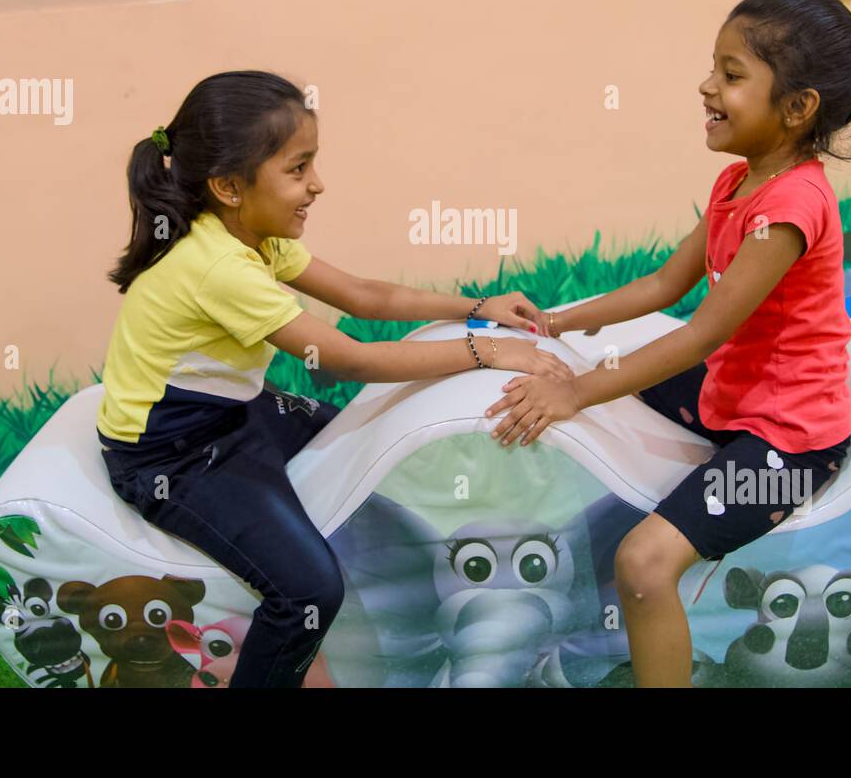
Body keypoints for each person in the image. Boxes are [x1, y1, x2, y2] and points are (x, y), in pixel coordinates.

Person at [483, 0, 851, 687]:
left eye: (731, 74)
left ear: (798, 107)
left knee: (642, 563)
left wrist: (575, 392)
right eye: (712, 68)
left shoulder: (793, 206)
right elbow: (664, 285)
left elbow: (698, 335)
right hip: (733, 397)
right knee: (613, 367)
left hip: (788, 438)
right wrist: (555, 324)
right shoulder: (736, 183)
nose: (706, 85)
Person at [97, 70, 571, 688]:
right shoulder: (216, 265)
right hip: (172, 455)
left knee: (358, 442)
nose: (317, 184)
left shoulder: (252, 237)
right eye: (298, 169)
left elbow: (364, 296)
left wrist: (477, 306)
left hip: (235, 414)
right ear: (229, 186)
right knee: (307, 591)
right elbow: (350, 358)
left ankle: (402, 630)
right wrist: (487, 350)